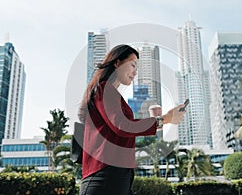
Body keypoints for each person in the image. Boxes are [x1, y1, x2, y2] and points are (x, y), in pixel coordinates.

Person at [78, 44, 186, 195]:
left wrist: (165, 119)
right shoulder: (104, 88)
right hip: (104, 178)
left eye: (137, 68)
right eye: (132, 65)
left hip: (116, 178)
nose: (135, 72)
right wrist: (165, 119)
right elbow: (122, 126)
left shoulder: (112, 93)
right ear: (117, 63)